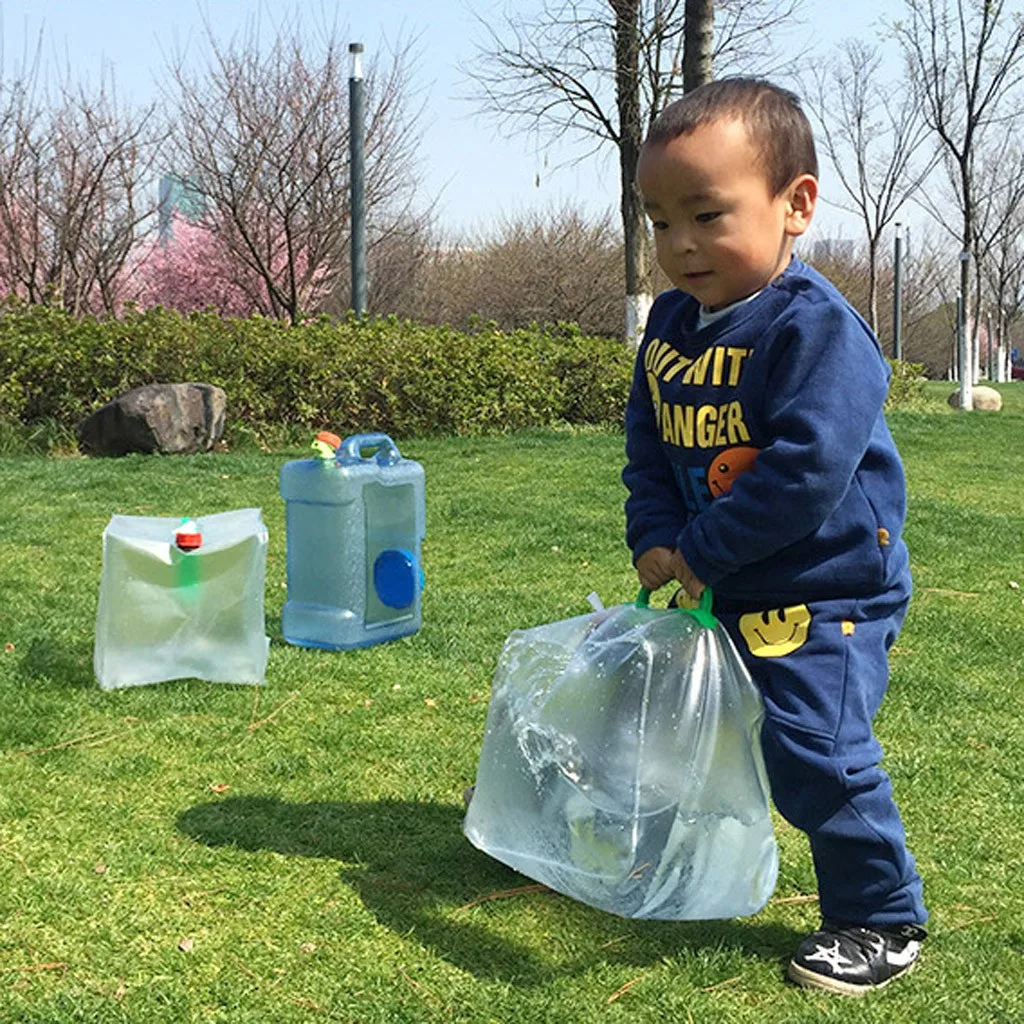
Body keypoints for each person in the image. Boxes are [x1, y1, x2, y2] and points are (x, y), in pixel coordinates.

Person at [622, 77, 927, 996]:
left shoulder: (818, 331)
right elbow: (648, 442)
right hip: (728, 577)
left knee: (813, 746)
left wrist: (702, 552)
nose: (679, 245)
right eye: (659, 219)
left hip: (827, 587)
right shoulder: (672, 326)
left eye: (707, 215)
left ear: (795, 205)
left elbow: (803, 475)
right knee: (687, 725)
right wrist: (654, 532)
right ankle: (669, 860)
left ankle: (882, 915)